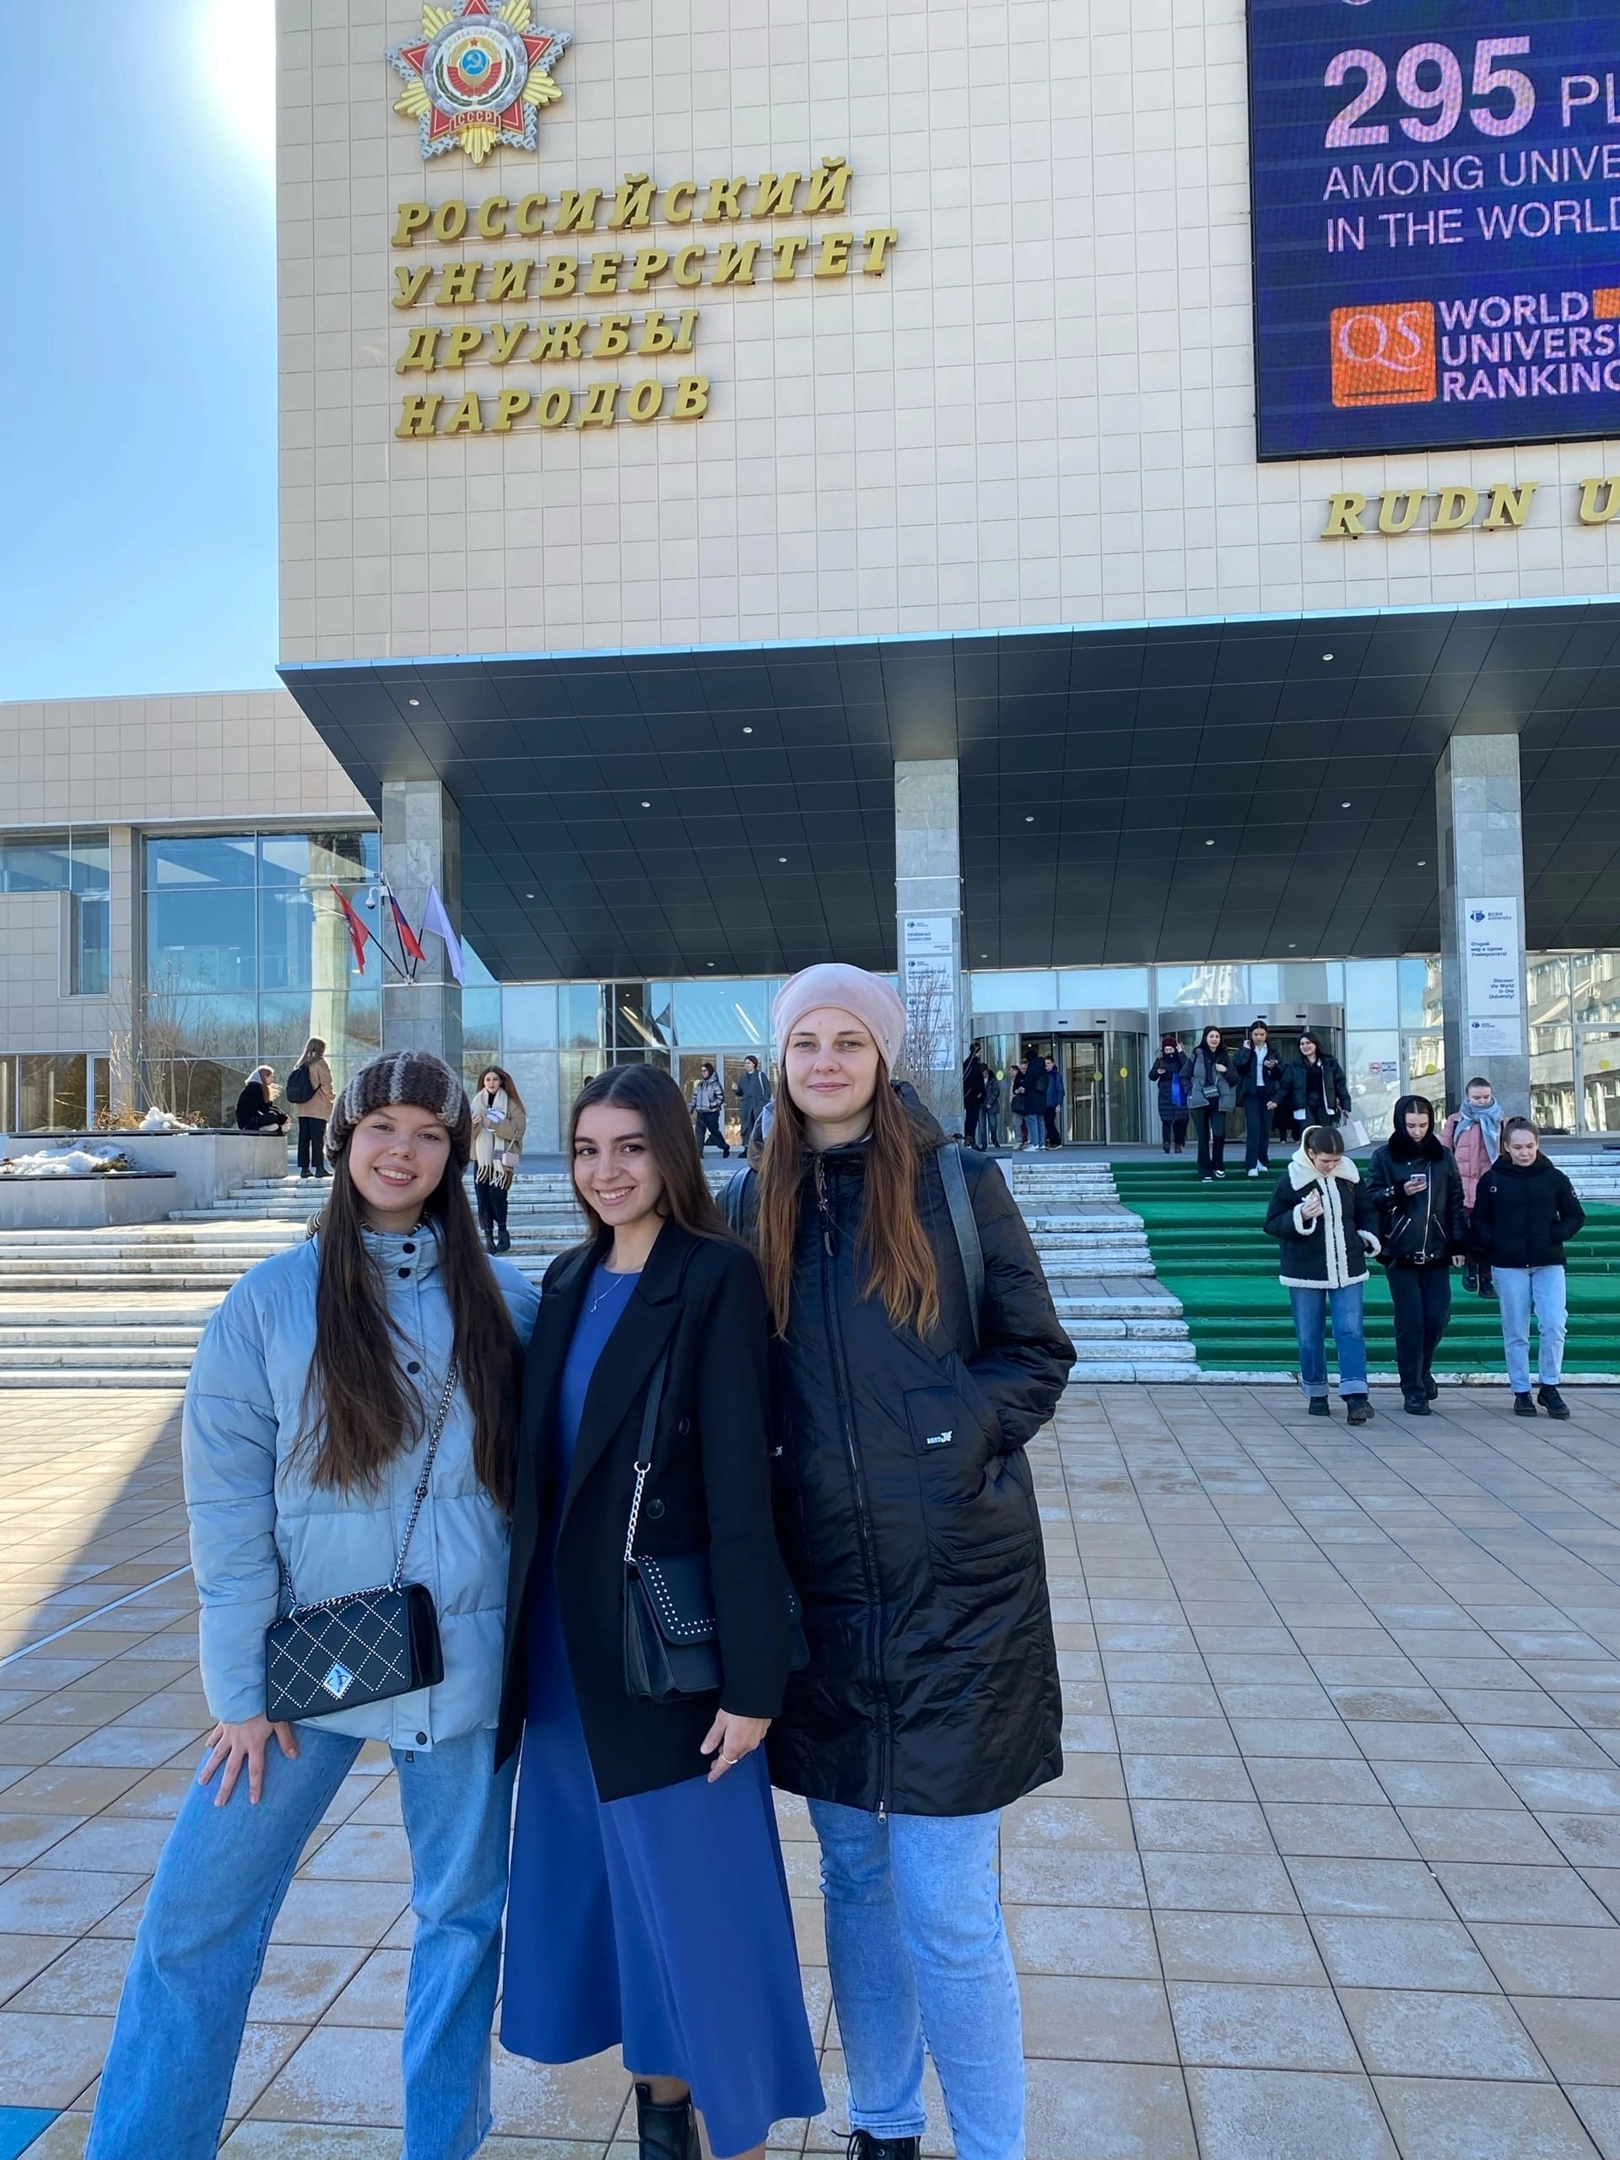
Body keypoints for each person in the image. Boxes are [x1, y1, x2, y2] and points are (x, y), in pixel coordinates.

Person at [85, 1052, 538, 2160]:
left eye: (429, 1133)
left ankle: (442, 2143)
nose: (402, 1151)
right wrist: (239, 1692)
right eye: (380, 1126)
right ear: (342, 1141)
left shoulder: (512, 1303)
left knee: (460, 1924)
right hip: (308, 1666)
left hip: (467, 1665)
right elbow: (227, 1511)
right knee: (195, 1917)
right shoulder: (267, 1305)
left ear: (454, 1154)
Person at [730, 963, 1075, 2160]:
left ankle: (992, 2146)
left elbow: (1035, 1353)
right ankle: (884, 2126)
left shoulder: (957, 1185)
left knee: (948, 1908)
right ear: (781, 1061)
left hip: (958, 1604)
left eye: (849, 1041)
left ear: (883, 1057)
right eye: (805, 1042)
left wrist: (950, 1435)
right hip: (821, 1602)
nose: (825, 1061)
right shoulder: (752, 1201)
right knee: (856, 1885)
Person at [497, 1065, 821, 2160]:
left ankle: (737, 2132)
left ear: (671, 1153)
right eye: (588, 1150)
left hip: (665, 1656)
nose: (606, 1172)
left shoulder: (714, 1277)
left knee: (702, 1917)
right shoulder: (566, 1277)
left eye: (631, 1148)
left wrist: (754, 1681)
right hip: (561, 1657)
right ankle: (663, 2124)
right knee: (620, 1908)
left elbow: (740, 1490)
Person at [1470, 1117, 1586, 1420]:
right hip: (1509, 1265)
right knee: (1516, 1329)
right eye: (1518, 1147)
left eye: (1530, 1146)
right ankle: (1521, 1390)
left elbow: (1575, 1215)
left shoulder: (1554, 1178)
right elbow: (1479, 1219)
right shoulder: (1492, 1180)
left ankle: (1550, 1385)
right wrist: (1494, 1244)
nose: (1524, 1152)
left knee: (1554, 1323)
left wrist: (1554, 1235)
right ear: (1507, 1147)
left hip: (1549, 1262)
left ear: (1538, 1145)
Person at [1264, 1123, 1381, 1423]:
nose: (1331, 1166)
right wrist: (1300, 1216)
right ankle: (1316, 1392)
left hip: (1348, 1266)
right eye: (1325, 1160)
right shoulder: (1291, 1179)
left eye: (1336, 1160)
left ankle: (1356, 1397)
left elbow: (1366, 1211)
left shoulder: (1350, 1176)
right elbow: (1272, 1223)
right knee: (1309, 1335)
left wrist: (1364, 1239)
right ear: (1310, 1153)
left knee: (1350, 1329)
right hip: (1304, 1269)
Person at [1366, 1095, 1464, 1417]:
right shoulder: (1384, 1156)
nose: (1418, 1131)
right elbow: (1371, 1199)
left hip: (1437, 1249)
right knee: (1410, 1323)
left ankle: (1423, 1370)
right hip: (1400, 1251)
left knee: (1436, 1318)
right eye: (1411, 1125)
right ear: (1400, 1123)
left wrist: (1459, 1244)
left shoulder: (1442, 1156)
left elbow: (1455, 1200)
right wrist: (1399, 1191)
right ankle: (1413, 1390)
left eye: (1423, 1125)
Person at [1441, 1078, 1505, 1294]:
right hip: (1463, 1186)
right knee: (1467, 1232)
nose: (1482, 1101)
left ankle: (1486, 1278)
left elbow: (1506, 1151)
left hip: (1490, 1187)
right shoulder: (1456, 1121)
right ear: (1468, 1097)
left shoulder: (1499, 1120)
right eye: (1477, 1097)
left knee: (1488, 1234)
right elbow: (1444, 1150)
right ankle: (1470, 1266)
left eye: (1486, 1097)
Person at [472, 1065, 526, 1254]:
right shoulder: (476, 1103)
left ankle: (502, 1230)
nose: (491, 1083)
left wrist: (494, 1124)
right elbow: (468, 1136)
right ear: (483, 1082)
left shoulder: (512, 1104)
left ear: (501, 1081)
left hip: (502, 1158)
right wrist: (474, 1124)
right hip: (482, 1161)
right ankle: (488, 1237)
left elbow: (518, 1131)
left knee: (498, 1195)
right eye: (488, 1079)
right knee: (482, 1198)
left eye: (495, 1079)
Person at [1232, 1021, 1283, 1177]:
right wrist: (1246, 1051)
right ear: (1251, 1035)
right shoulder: (1245, 1049)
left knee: (1265, 1129)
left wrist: (1273, 1067)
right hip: (1251, 1092)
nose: (1259, 1037)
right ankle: (1251, 1164)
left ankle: (1262, 1161)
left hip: (1268, 1092)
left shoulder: (1272, 1050)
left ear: (1266, 1035)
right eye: (1256, 1034)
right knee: (1253, 1129)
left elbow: (1281, 1072)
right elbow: (1238, 1067)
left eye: (1262, 1034)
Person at [1277, 1032, 1350, 1136]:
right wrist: (1275, 1100)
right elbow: (1285, 1085)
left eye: (1308, 1043)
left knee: (1324, 1134)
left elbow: (1340, 1084)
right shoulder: (1294, 1065)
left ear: (1316, 1044)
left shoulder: (1329, 1063)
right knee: (1308, 1134)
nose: (1305, 1046)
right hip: (1304, 1104)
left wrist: (1345, 1105)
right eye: (1302, 1044)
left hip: (1324, 1104)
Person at [1185, 1026, 1233, 1182]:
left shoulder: (1224, 1055)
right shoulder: (1197, 1054)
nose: (1214, 1039)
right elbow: (1184, 1074)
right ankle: (1204, 1170)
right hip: (1199, 1099)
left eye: (1217, 1036)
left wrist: (1225, 1070)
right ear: (1205, 1038)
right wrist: (1190, 1091)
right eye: (1211, 1036)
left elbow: (1235, 1079)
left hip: (1218, 1100)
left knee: (1219, 1133)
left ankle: (1218, 1164)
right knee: (1203, 1137)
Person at [286, 1036, 334, 1178]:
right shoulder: (320, 1064)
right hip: (317, 1108)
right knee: (317, 1139)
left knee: (304, 1139)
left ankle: (304, 1169)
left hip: (302, 1108)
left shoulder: (301, 1064)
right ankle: (319, 1168)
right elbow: (326, 1085)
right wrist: (331, 1097)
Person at [1149, 1036, 1191, 1154]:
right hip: (1165, 1093)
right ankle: (1166, 1142)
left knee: (1180, 1119)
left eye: (1170, 1049)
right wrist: (1157, 1072)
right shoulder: (1160, 1060)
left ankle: (1178, 1143)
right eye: (1166, 1050)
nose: (1168, 1052)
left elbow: (1188, 1068)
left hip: (1179, 1091)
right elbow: (1151, 1075)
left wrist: (1181, 1053)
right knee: (1166, 1119)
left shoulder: (1180, 1058)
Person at [689, 1062, 730, 1158]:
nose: (703, 1073)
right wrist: (690, 1107)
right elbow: (694, 1097)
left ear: (710, 1071)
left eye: (705, 1071)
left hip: (712, 1113)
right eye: (702, 1071)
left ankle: (724, 1146)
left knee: (714, 1132)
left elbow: (720, 1098)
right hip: (701, 1113)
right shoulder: (700, 1085)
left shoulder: (715, 1085)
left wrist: (711, 1105)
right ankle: (699, 1153)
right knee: (699, 1133)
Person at [234, 1064, 288, 1135]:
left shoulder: (258, 1088)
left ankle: (273, 1127)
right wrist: (282, 1118)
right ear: (265, 1077)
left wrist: (282, 1116)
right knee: (272, 1116)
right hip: (248, 1122)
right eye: (271, 1077)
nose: (272, 1079)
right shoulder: (253, 1089)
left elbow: (268, 1107)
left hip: (252, 1118)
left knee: (273, 1116)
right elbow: (263, 1108)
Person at [736, 1055, 772, 1150]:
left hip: (758, 1105)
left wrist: (764, 1101)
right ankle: (747, 1148)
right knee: (747, 1126)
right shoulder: (742, 1077)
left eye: (749, 1063)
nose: (746, 1065)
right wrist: (735, 1089)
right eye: (745, 1063)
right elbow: (740, 1092)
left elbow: (767, 1089)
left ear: (754, 1064)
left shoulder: (760, 1075)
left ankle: (761, 1148)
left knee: (759, 1126)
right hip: (747, 1106)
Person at [1021, 1049, 1049, 1150]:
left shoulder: (1032, 1068)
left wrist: (1022, 1085)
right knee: (1040, 1121)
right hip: (1042, 1098)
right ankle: (1041, 1144)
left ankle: (1034, 1143)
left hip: (1032, 1098)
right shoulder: (1043, 1068)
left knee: (1032, 1120)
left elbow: (1027, 1082)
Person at [962, 1040, 987, 1148]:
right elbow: (974, 1079)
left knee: (970, 1119)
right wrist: (978, 1092)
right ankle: (970, 1140)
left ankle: (970, 1140)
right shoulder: (974, 1063)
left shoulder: (968, 1062)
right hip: (973, 1096)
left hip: (969, 1096)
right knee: (972, 1119)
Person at [1043, 1050, 1065, 1147]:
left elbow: (1060, 1090)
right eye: (1045, 1063)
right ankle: (1050, 1140)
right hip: (1044, 1103)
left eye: (1048, 1063)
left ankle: (1056, 1140)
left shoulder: (1056, 1075)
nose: (1047, 1065)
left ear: (1053, 1064)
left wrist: (1058, 1104)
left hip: (1052, 1103)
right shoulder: (1043, 1075)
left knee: (1049, 1123)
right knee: (1046, 1123)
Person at [1008, 1058, 1028, 1148]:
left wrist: (1025, 1090)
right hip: (1017, 1103)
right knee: (1016, 1122)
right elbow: (1014, 1090)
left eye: (1024, 1068)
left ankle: (1028, 1141)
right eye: (1021, 1068)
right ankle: (1019, 1140)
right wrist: (1017, 1090)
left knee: (1028, 1123)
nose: (1023, 1070)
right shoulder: (1017, 1079)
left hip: (1027, 1103)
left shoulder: (1029, 1077)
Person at [982, 1063, 1003, 1149]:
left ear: (987, 1071)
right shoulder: (978, 1080)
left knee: (993, 1125)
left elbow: (996, 1092)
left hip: (992, 1105)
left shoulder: (993, 1080)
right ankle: (984, 1143)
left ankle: (994, 1139)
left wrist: (989, 1103)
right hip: (981, 1105)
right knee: (982, 1126)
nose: (983, 1074)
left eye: (984, 1072)